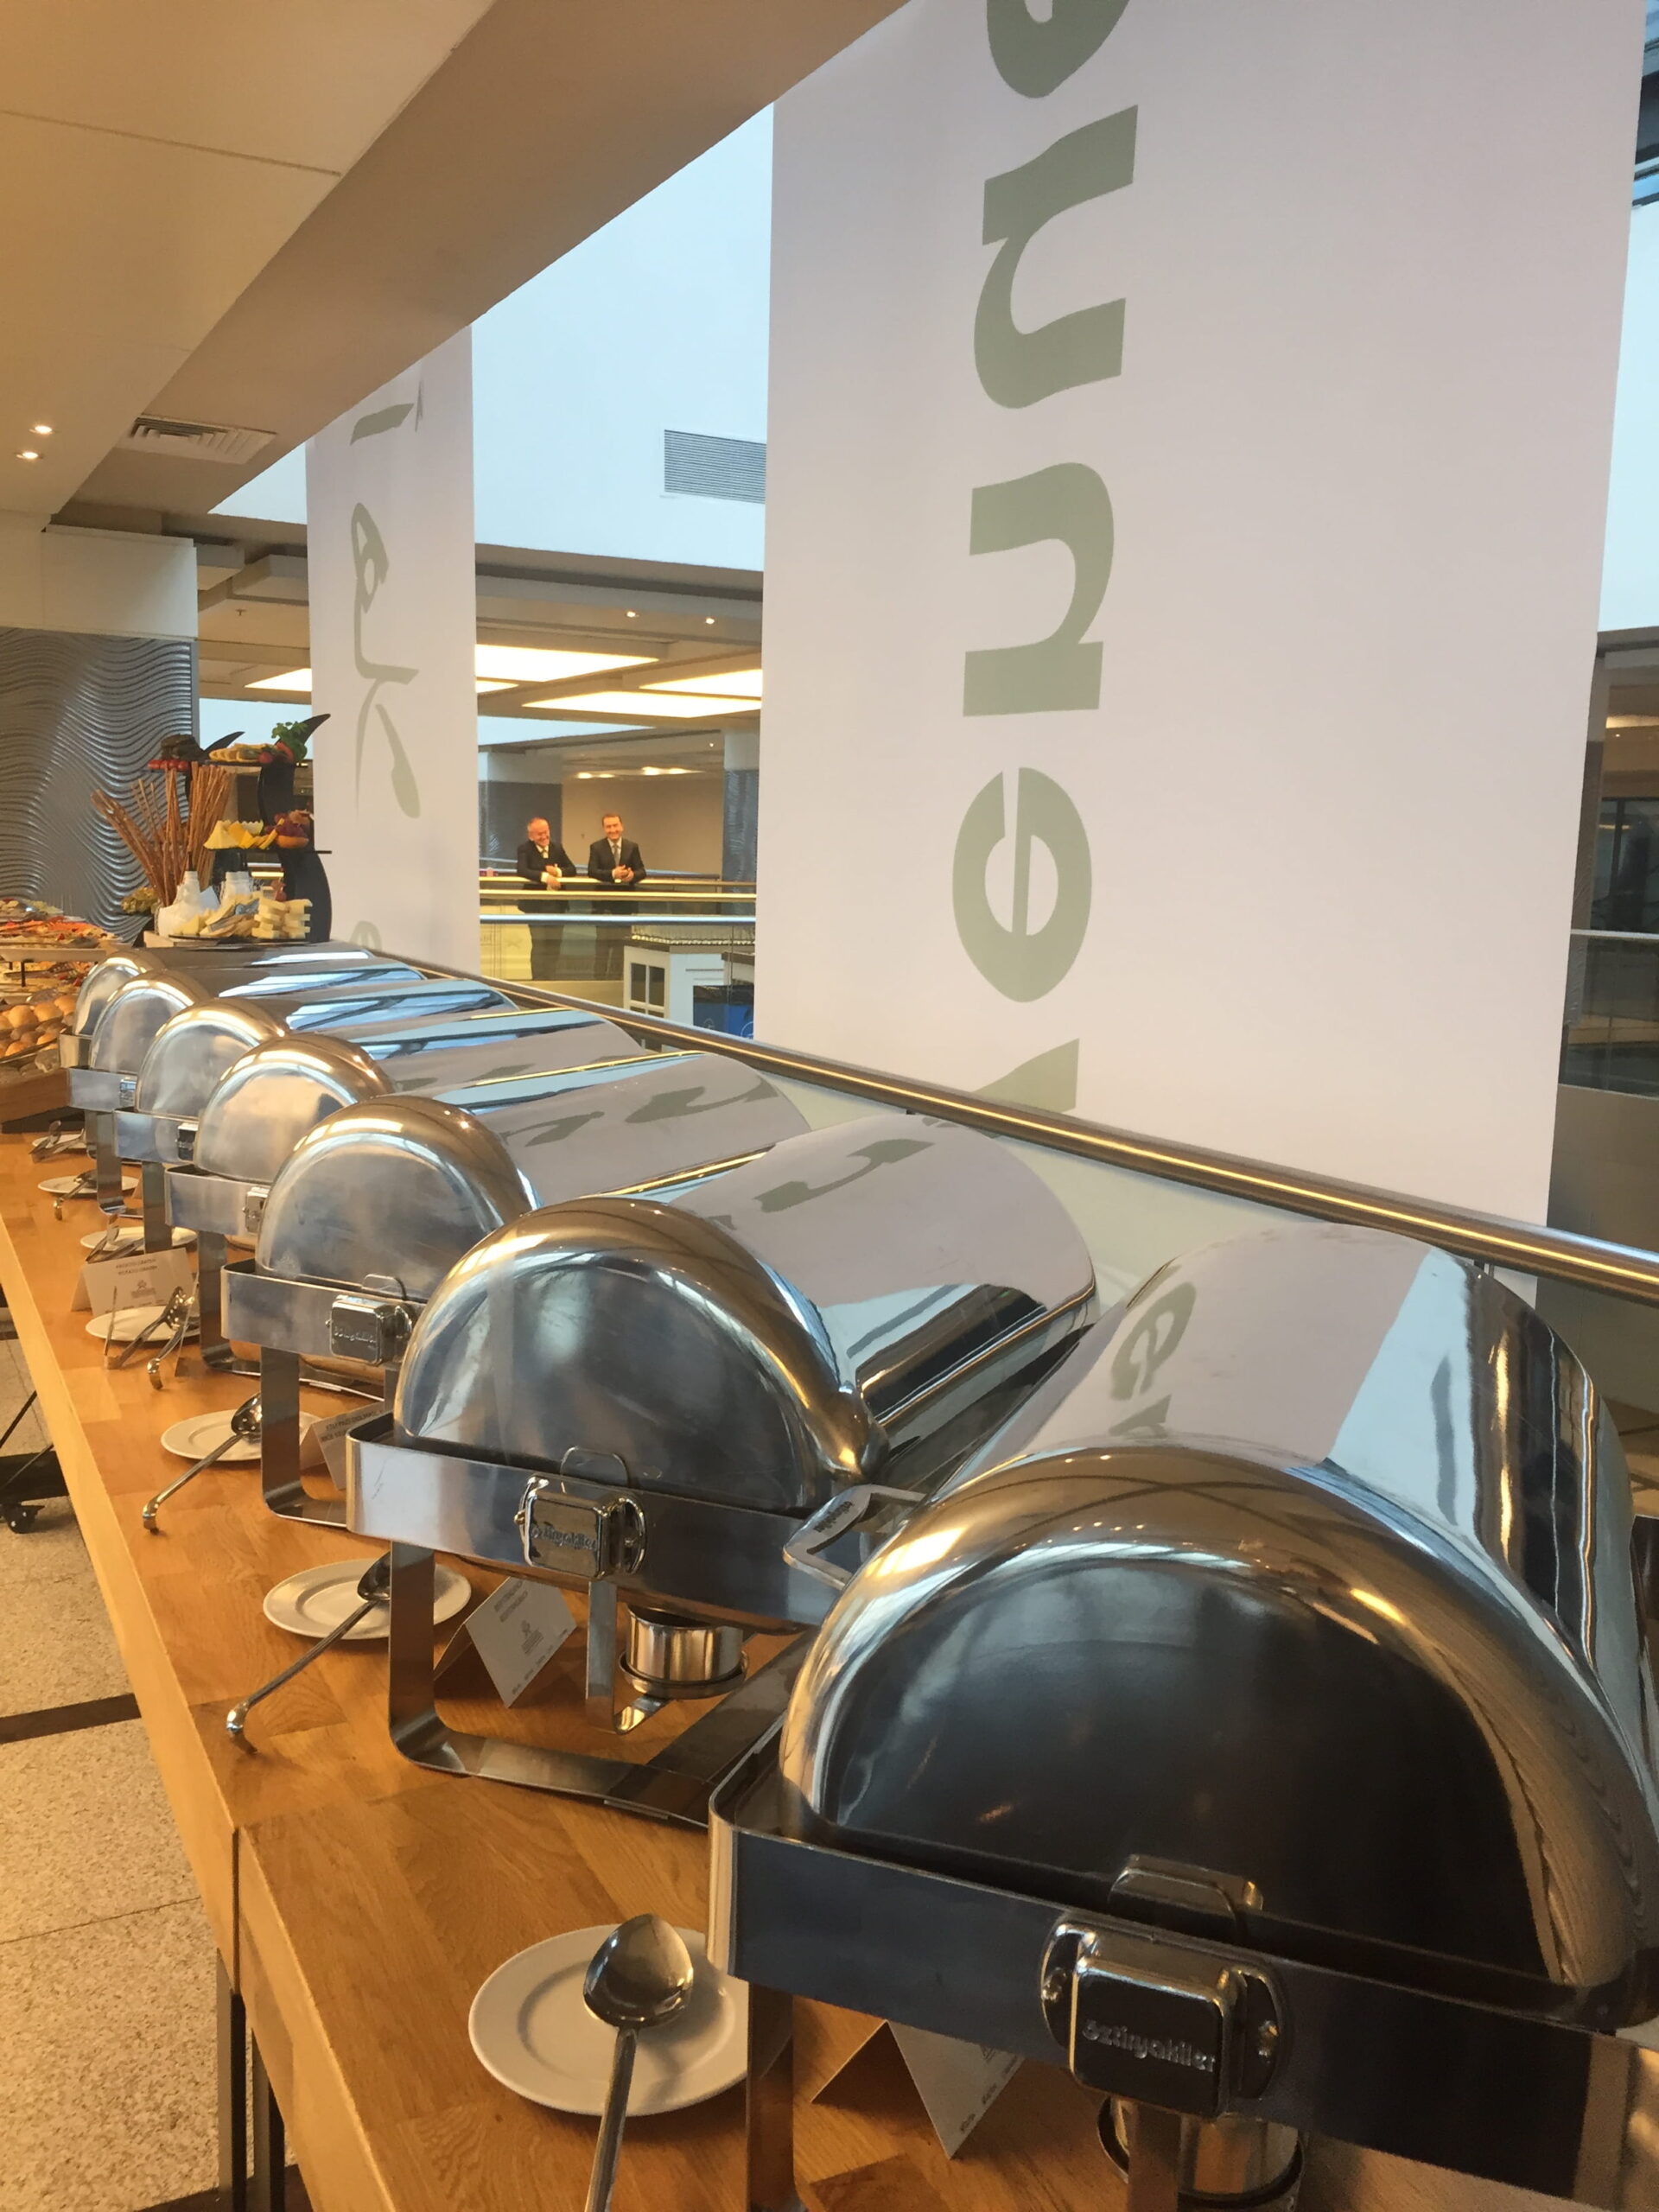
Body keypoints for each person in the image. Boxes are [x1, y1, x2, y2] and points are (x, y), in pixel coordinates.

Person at [586, 811, 646, 979]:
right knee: (602, 948)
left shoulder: (632, 847)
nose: (612, 830)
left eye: (615, 826)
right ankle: (599, 981)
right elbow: (592, 871)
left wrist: (632, 875)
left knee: (621, 948)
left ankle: (618, 980)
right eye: (608, 827)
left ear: (622, 826)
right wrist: (613, 874)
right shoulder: (596, 847)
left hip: (625, 906)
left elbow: (642, 870)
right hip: (603, 907)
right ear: (604, 829)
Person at [516, 816, 575, 980]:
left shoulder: (557, 848)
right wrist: (545, 877)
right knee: (539, 944)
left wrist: (558, 872)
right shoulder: (525, 849)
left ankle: (551, 980)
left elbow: (572, 869)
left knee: (554, 945)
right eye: (539, 834)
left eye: (546, 832)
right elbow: (522, 870)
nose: (544, 837)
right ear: (531, 836)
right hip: (535, 906)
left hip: (557, 906)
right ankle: (538, 981)